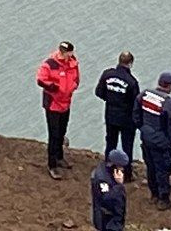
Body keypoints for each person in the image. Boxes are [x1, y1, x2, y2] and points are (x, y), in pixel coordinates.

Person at [134, 71, 171, 208]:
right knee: (163, 169)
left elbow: (136, 114)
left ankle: (154, 194)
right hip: (161, 142)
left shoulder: (145, 94)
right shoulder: (168, 103)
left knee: (151, 167)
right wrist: (170, 142)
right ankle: (163, 199)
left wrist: (143, 129)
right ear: (170, 86)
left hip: (146, 138)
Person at [36, 41, 80, 179]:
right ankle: (52, 165)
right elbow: (40, 80)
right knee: (54, 134)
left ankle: (60, 157)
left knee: (62, 131)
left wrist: (73, 86)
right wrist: (54, 87)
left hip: (66, 102)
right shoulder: (49, 64)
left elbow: (77, 79)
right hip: (53, 104)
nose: (69, 54)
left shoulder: (73, 64)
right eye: (66, 52)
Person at [95, 52, 139, 182]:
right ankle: (127, 174)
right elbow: (135, 102)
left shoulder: (107, 74)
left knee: (111, 143)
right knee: (127, 146)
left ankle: (108, 170)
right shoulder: (132, 82)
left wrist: (111, 100)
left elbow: (99, 92)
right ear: (131, 63)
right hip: (126, 118)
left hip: (111, 115)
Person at [90, 150, 128, 231]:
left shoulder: (108, 172)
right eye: (120, 166)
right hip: (107, 220)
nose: (122, 169)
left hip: (112, 217)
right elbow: (107, 198)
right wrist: (119, 185)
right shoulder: (102, 180)